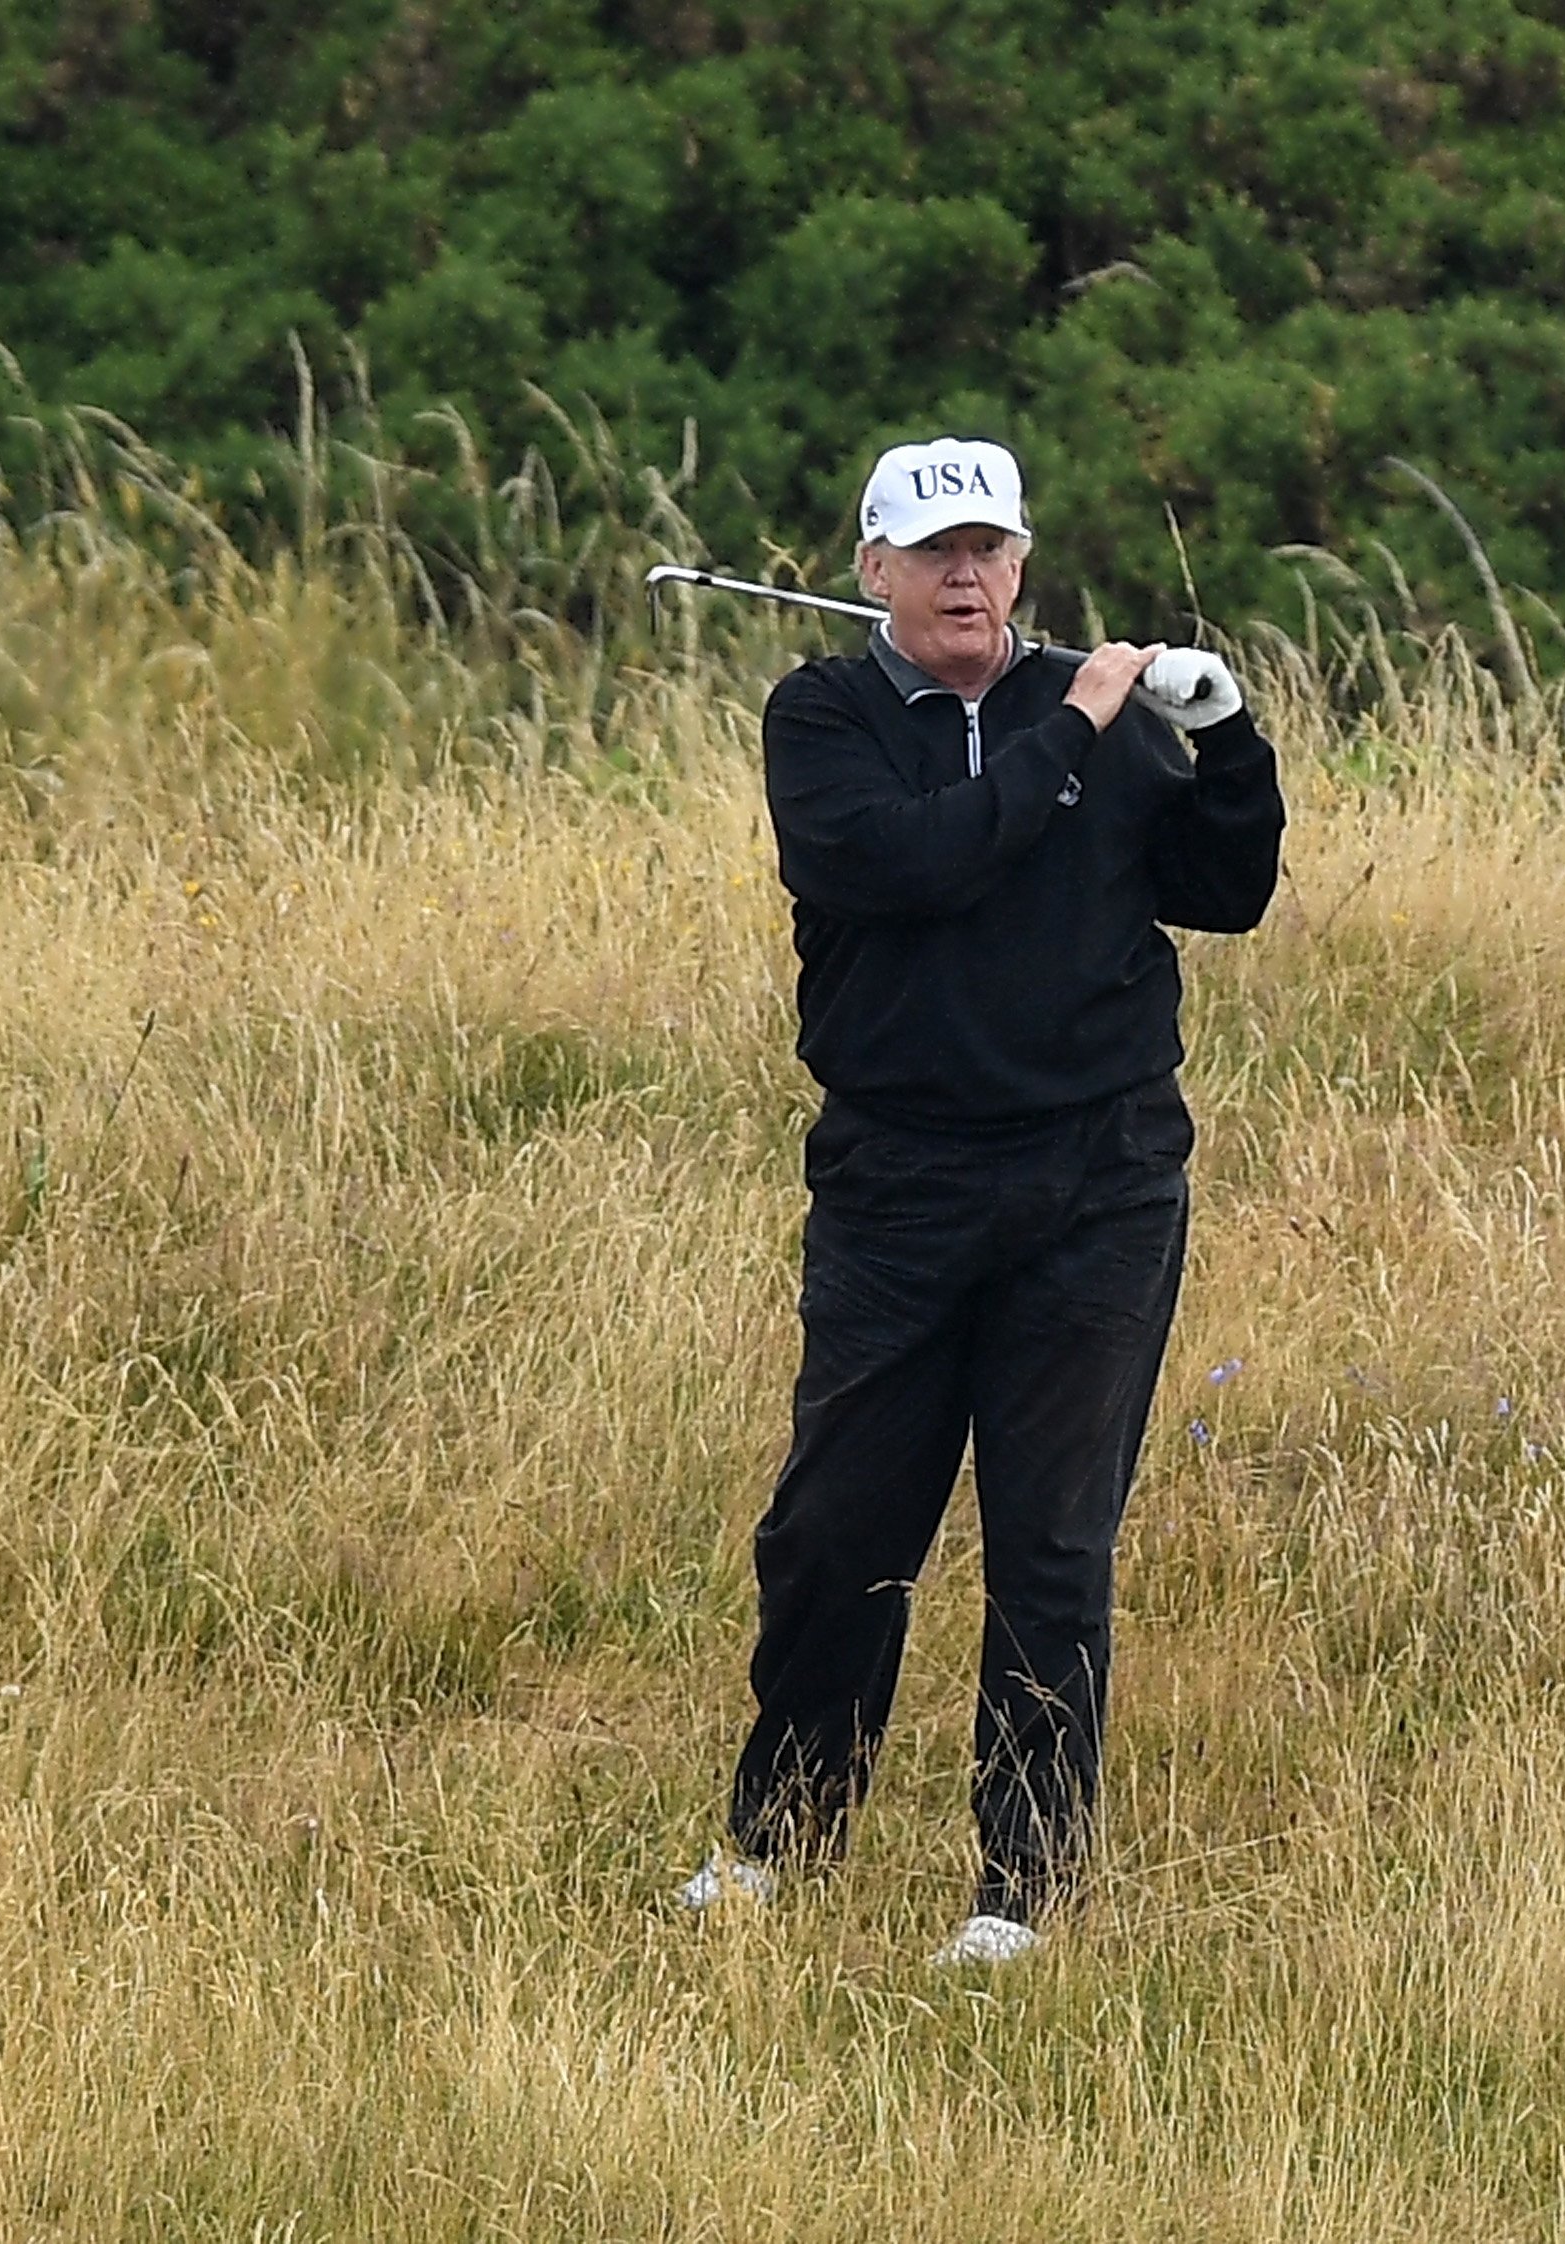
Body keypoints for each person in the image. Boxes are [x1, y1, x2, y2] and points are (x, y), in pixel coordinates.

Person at [679, 435, 1285, 1965]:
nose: (967, 575)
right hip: (898, 1180)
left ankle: (1020, 1893)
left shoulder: (1103, 707)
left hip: (1099, 1178)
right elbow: (914, 867)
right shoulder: (822, 720)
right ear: (871, 570)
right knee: (837, 1526)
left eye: (991, 550)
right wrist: (1075, 728)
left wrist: (1226, 741)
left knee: (1051, 1543)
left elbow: (1224, 892)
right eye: (934, 550)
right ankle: (781, 1844)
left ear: (1021, 565)